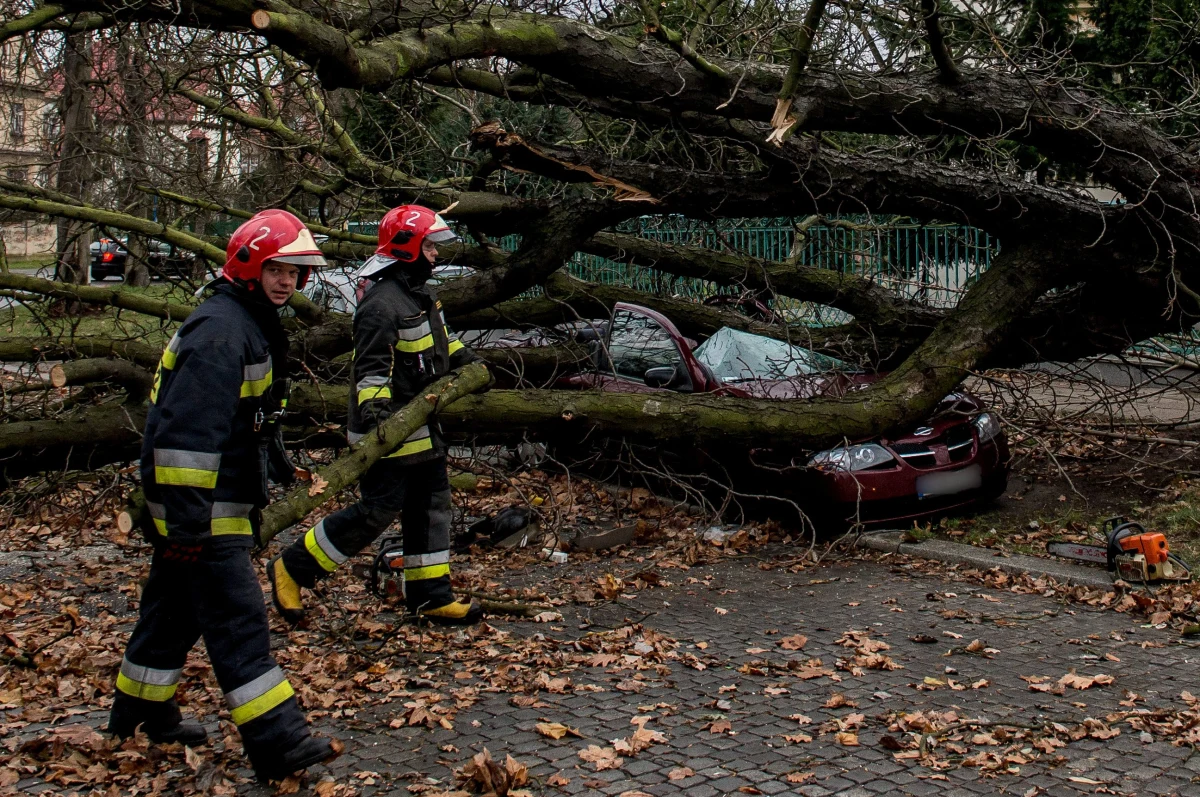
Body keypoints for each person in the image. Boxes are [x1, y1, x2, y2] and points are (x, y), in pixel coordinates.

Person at [108, 210, 339, 781]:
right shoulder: (221, 331)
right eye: (277, 269)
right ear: (249, 265)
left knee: (170, 614)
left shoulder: (243, 320)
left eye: (296, 272)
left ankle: (138, 716)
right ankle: (279, 743)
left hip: (213, 504)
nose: (288, 282)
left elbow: (248, 420)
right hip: (204, 511)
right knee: (239, 622)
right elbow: (187, 439)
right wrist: (188, 527)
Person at [268, 205, 485, 626]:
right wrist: (379, 423)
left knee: (430, 509)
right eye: (428, 246)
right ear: (407, 249)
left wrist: (473, 365)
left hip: (423, 428)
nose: (435, 255)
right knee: (376, 513)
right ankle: (293, 567)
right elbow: (370, 373)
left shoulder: (419, 295)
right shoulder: (382, 305)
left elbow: (444, 345)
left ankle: (430, 595)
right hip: (389, 431)